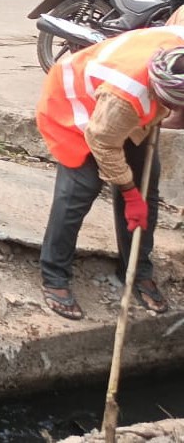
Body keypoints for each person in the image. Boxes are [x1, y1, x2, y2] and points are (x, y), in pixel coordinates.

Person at [36, 27, 184, 320]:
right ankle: (55, 276)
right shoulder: (127, 96)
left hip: (120, 100)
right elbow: (103, 143)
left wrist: (137, 193)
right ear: (163, 97)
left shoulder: (176, 46)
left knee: (146, 186)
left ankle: (136, 268)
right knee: (81, 187)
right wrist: (128, 194)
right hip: (74, 104)